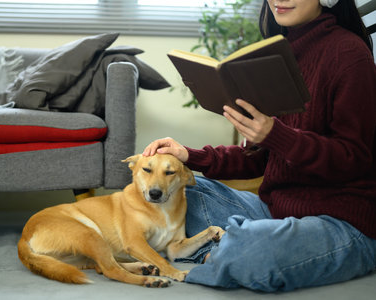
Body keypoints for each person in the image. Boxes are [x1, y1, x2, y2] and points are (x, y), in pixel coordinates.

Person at [143, 0, 376, 292]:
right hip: (274, 210)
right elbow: (257, 159)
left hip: (340, 223)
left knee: (254, 248)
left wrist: (276, 135)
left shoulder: (349, 54)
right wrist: (189, 156)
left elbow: (353, 158)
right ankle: (231, 247)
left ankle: (228, 249)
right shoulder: (276, 54)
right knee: (178, 189)